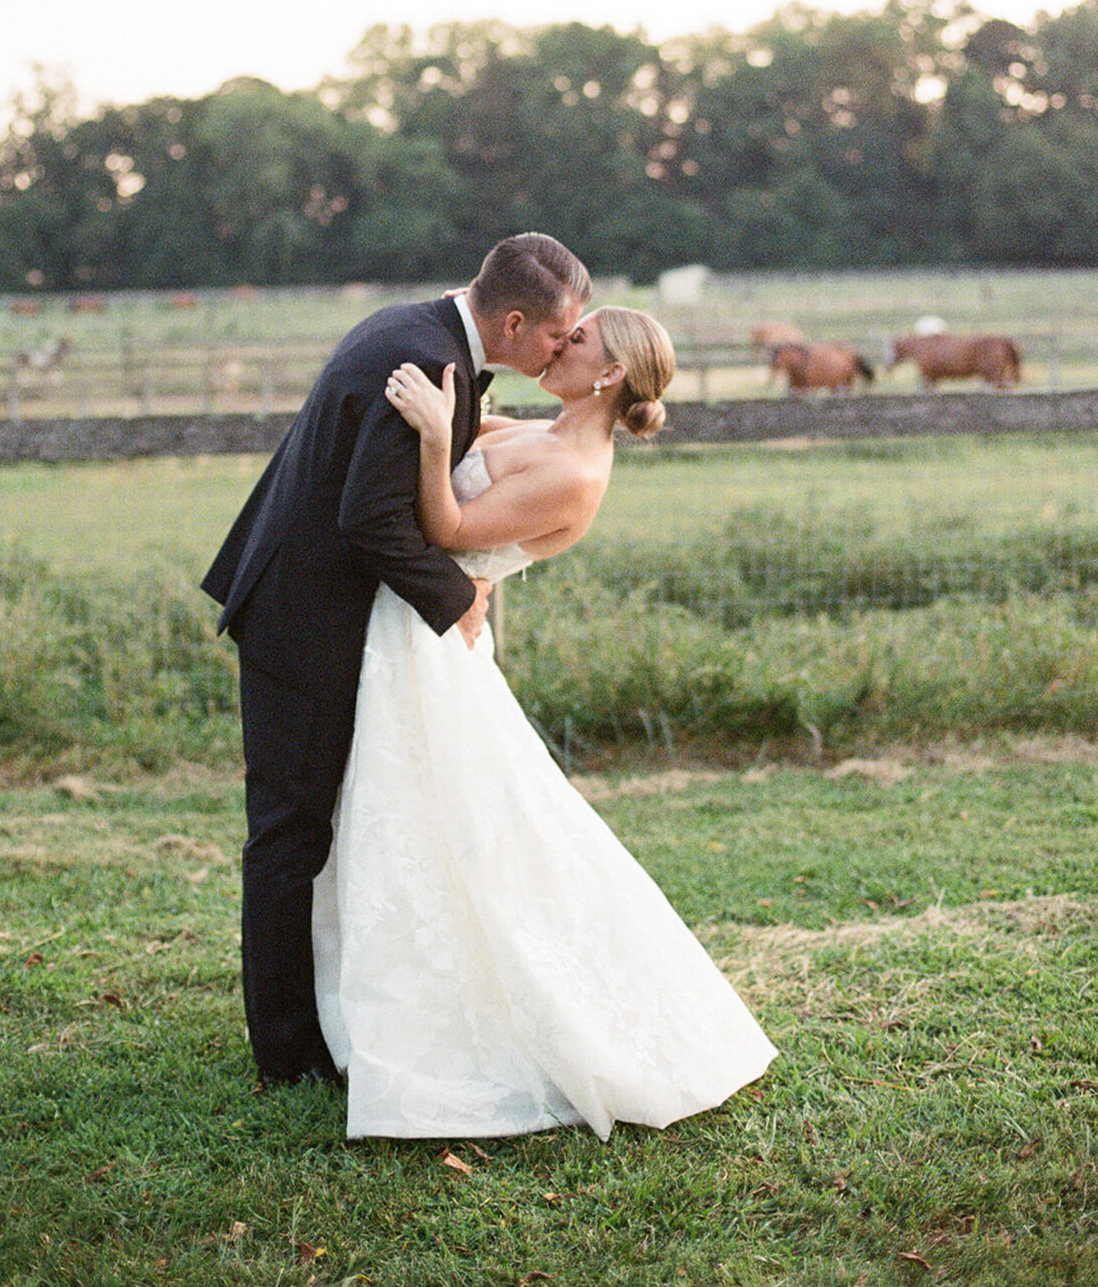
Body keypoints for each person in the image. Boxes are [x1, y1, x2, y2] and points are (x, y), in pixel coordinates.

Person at [312, 305, 777, 1139]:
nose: (560, 341)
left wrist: (427, 437)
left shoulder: (577, 470)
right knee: (411, 817)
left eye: (580, 338)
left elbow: (449, 527)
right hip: (411, 630)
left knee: (465, 828)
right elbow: (468, 429)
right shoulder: (540, 426)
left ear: (607, 374)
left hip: (433, 651)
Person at [201, 233, 591, 1086]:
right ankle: (289, 1054)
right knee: (288, 831)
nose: (565, 348)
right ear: (516, 321)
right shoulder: (424, 359)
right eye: (560, 336)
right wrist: (461, 600)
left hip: (322, 612)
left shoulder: (421, 335)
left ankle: (325, 1021)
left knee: (319, 824)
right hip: (301, 620)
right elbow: (368, 519)